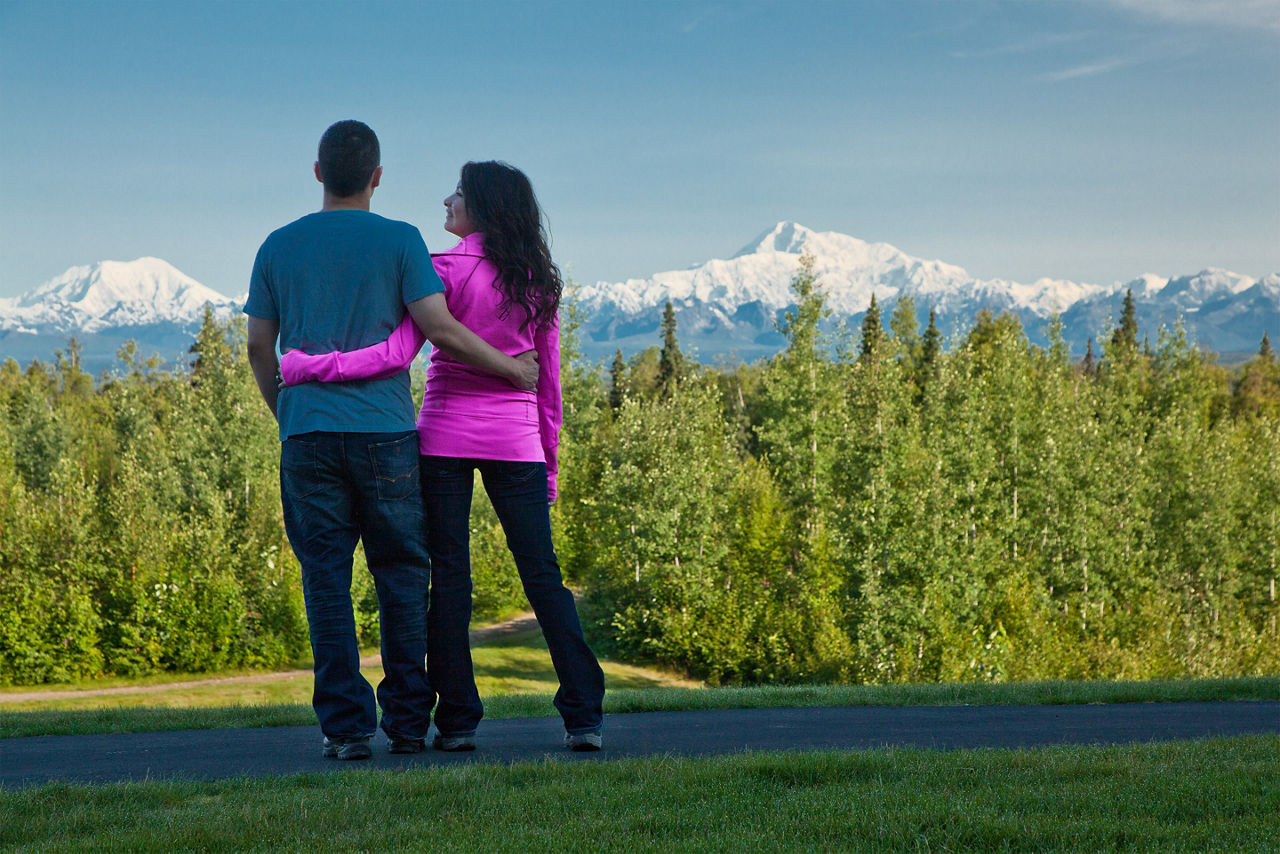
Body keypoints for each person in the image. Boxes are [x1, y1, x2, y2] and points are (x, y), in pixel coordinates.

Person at [280, 160, 606, 751]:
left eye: (458, 192)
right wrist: (550, 462)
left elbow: (393, 354)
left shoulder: (442, 270)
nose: (447, 200)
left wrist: (307, 366)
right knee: (543, 576)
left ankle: (457, 722)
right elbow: (548, 384)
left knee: (449, 578)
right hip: (518, 442)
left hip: (443, 436)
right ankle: (583, 714)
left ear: (482, 205)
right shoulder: (537, 279)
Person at [245, 123, 539, 761]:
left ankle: (347, 729)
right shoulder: (402, 240)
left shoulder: (277, 246)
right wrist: (513, 368)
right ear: (377, 177)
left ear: (318, 171)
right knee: (403, 575)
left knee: (325, 577)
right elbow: (442, 330)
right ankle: (406, 722)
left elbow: (257, 348)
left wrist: (287, 414)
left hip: (308, 434)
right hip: (386, 434)